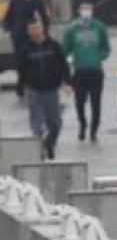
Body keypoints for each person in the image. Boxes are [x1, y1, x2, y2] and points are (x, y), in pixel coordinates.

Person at [18, 16, 71, 159]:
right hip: (34, 91)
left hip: (51, 89)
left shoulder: (53, 45)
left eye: (38, 27)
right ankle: (39, 152)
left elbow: (63, 65)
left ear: (43, 28)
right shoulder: (25, 48)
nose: (36, 30)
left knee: (56, 124)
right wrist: (21, 90)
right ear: (28, 31)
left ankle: (49, 143)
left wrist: (67, 82)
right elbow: (21, 70)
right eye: (32, 28)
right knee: (37, 126)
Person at [62, 1, 110, 143]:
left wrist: (98, 57)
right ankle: (82, 124)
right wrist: (70, 59)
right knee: (80, 101)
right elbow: (65, 49)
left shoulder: (100, 27)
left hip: (95, 71)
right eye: (84, 9)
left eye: (89, 9)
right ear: (79, 11)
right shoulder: (71, 29)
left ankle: (94, 130)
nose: (86, 12)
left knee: (96, 102)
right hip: (79, 71)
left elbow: (106, 48)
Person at [4, 0, 50, 97]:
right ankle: (21, 85)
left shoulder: (38, 0)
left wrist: (44, 32)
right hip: (18, 35)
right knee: (20, 61)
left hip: (32, 35)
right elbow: (8, 15)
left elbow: (45, 18)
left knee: (32, 59)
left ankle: (31, 85)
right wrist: (9, 28)